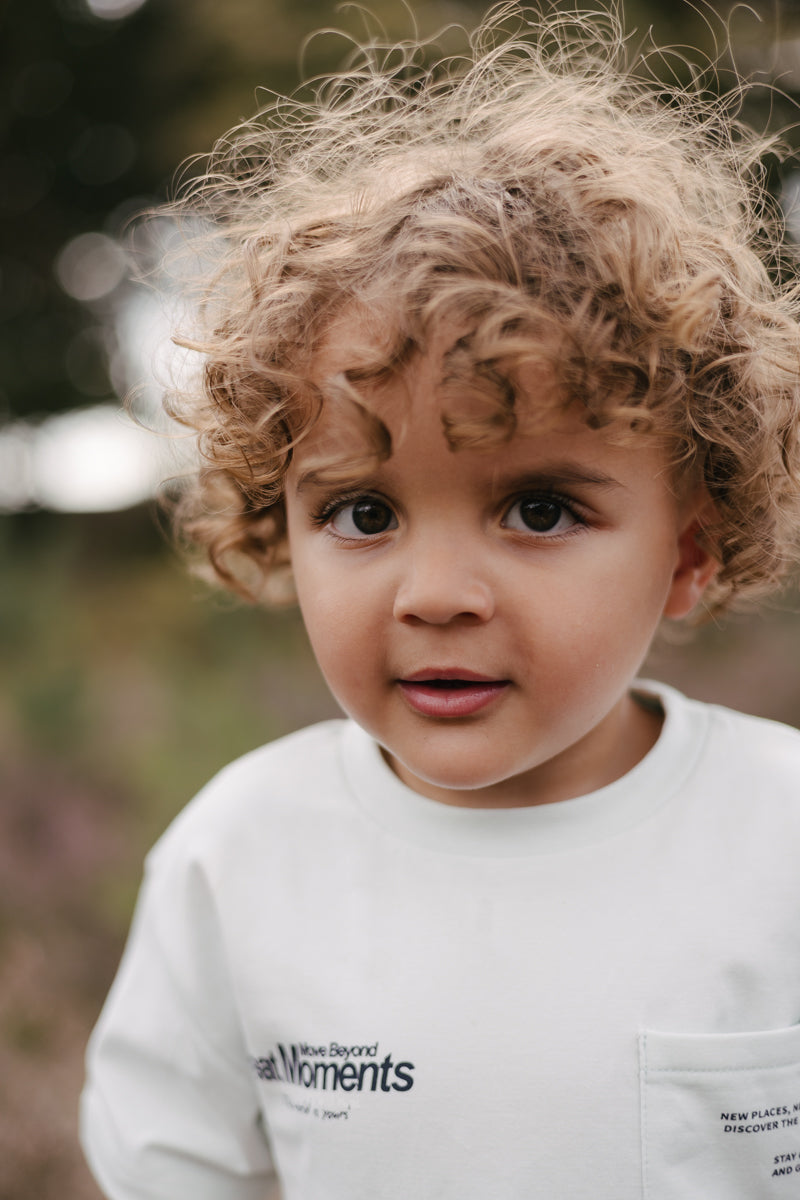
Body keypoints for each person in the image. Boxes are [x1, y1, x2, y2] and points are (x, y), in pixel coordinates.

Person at [81, 6, 800, 1198]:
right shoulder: (242, 857)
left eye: (538, 510)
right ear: (282, 527)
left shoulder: (780, 837)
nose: (436, 596)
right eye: (361, 515)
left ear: (688, 550)